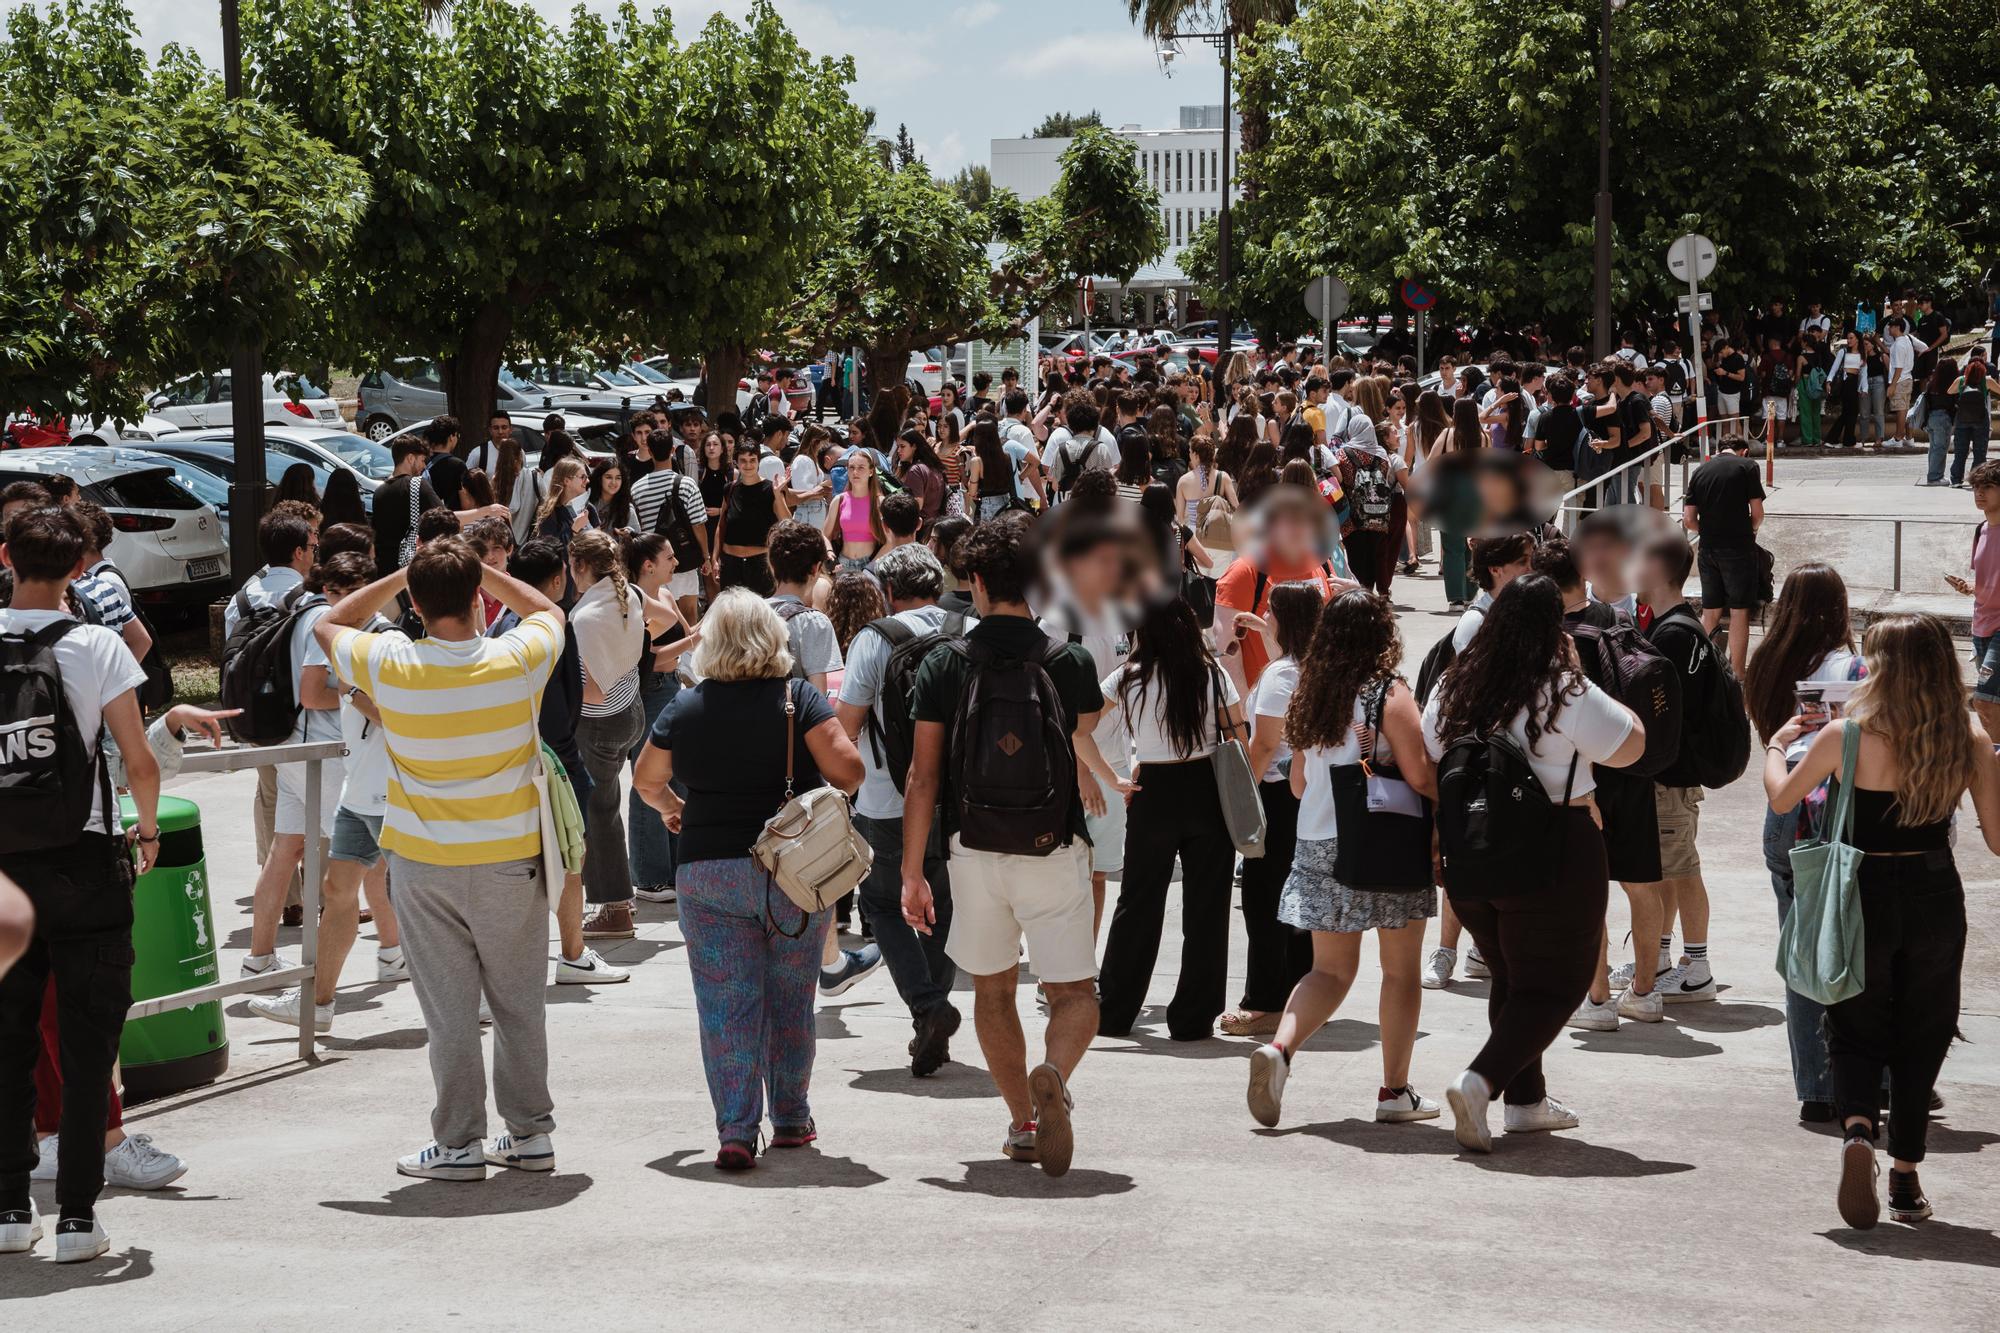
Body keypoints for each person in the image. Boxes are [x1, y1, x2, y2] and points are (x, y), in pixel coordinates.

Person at [320, 541, 568, 1181]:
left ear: (416, 605)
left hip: (424, 864)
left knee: (449, 1011)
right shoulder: (516, 659)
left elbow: (329, 624)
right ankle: (530, 1134)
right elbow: (549, 610)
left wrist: (405, 573)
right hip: (512, 859)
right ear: (479, 600)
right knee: (519, 1004)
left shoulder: (392, 663)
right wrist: (479, 569)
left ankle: (458, 1144)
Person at [1763, 614, 2000, 1229]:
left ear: (1879, 667)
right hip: (1933, 890)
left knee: (1853, 1021)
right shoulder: (1967, 737)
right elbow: (1998, 840)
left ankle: (1859, 1131)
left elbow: (1783, 798)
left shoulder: (1845, 735)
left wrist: (1773, 745)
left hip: (1858, 889)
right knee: (1925, 1031)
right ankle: (1905, 1178)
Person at [900, 519, 1117, 1177]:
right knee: (1075, 990)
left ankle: (1024, 1119)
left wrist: (912, 870)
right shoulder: (1071, 660)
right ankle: (1053, 1070)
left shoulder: (943, 663)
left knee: (992, 990)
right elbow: (1081, 735)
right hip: (1053, 845)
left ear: (977, 582)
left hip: (974, 850)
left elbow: (923, 776)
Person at [632, 591, 864, 1169]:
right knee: (791, 999)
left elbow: (644, 780)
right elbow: (850, 771)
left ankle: (736, 1129)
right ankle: (790, 1117)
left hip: (708, 871)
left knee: (725, 1004)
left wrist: (671, 806)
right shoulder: (797, 699)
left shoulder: (685, 708)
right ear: (773, 639)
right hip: (793, 872)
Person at [1422, 574, 1647, 1153]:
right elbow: (1632, 744)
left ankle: (1526, 1103)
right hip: (1554, 849)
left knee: (1512, 976)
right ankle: (1481, 1081)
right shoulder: (1563, 688)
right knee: (1557, 984)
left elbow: (1430, 751)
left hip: (1470, 849)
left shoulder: (1454, 683)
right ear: (1555, 627)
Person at [0, 504, 157, 1263]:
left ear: (5, 555)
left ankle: (6, 1208)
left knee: (8, 1037)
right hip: (87, 860)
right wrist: (148, 830)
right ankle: (75, 1220)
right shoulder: (97, 645)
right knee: (90, 1042)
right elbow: (139, 759)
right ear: (77, 567)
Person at [1246, 588, 1441, 1126]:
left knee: (1330, 971)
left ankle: (1281, 1048)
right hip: (1384, 838)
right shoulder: (1388, 693)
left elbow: (1300, 780)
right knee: (1400, 972)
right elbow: (1420, 773)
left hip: (1316, 839)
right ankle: (1394, 1092)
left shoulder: (1312, 690)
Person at [246, 554, 409, 1035]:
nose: (333, 606)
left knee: (421, 895)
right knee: (338, 892)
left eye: (345, 595)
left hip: (383, 790)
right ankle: (318, 1003)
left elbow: (399, 713)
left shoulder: (388, 640)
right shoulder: (342, 637)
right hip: (356, 791)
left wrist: (353, 693)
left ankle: (467, 990)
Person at [834, 544, 969, 1077]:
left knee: (884, 904)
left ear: (887, 592)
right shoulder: (966, 628)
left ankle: (928, 1007)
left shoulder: (876, 638)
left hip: (887, 798)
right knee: (941, 905)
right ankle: (929, 1028)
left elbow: (845, 726)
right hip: (957, 798)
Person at [1094, 597, 1246, 1042]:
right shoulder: (1212, 674)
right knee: (1206, 910)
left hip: (1152, 792)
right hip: (1206, 790)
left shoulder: (1127, 677)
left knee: (1137, 905)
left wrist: (1112, 777)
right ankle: (1193, 1017)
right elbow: (1238, 732)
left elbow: (1077, 726)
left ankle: (1116, 1011)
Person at [1743, 562, 1862, 1119]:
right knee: (1851, 945)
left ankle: (1816, 1088)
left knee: (1801, 952)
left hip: (1782, 816)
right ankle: (1868, 1080)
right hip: (1832, 817)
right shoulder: (1850, 667)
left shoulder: (1767, 662)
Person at [231, 511, 343, 987]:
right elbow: (312, 685)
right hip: (306, 731)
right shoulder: (304, 602)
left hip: (263, 728)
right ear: (299, 552)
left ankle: (261, 953)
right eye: (313, 548)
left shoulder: (242, 597)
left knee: (283, 839)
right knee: (359, 844)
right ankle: (390, 949)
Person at [1217, 582, 1319, 1038]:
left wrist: (1244, 798)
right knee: (1297, 900)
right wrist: (1262, 630)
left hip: (1277, 797)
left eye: (1270, 611)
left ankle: (1263, 1003)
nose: (1265, 614)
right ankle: (1301, 994)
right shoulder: (1316, 664)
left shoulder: (1281, 675)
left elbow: (1263, 745)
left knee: (1262, 900)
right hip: (1311, 797)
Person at [1630, 533, 1724, 1007]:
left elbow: (1666, 714)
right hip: (1671, 775)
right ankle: (1663, 957)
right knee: (1666, 867)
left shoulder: (1673, 633)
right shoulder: (1678, 625)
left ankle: (1699, 968)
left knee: (1681, 868)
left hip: (1672, 776)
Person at [1037, 517, 1139, 942]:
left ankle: (1083, 964)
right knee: (1062, 876)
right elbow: (1052, 708)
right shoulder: (1056, 624)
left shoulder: (1123, 617)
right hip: (1068, 769)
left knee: (1097, 876)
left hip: (1113, 765)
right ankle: (1051, 971)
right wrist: (1081, 774)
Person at [569, 530, 662, 943]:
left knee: (599, 815)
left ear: (581, 566)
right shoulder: (630, 597)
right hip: (631, 712)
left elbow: (591, 691)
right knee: (607, 810)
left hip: (600, 724)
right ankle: (617, 904)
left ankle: (614, 909)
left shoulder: (584, 618)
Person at [1213, 486, 1353, 696]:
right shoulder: (1246, 570)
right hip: (1265, 702)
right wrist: (1243, 710)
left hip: (1316, 694)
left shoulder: (1321, 563)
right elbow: (1226, 645)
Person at [1681, 433, 1766, 678]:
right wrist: (1748, 528)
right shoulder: (1748, 466)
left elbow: (1688, 520)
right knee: (1740, 610)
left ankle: (1705, 672)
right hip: (1738, 548)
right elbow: (1758, 514)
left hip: (1708, 548)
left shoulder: (1700, 471)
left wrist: (1708, 529)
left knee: (1711, 611)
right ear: (1743, 451)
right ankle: (1737, 674)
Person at [712, 439, 791, 595]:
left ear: (759, 461)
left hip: (760, 564)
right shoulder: (730, 489)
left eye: (752, 460)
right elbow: (722, 524)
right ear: (736, 463)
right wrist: (715, 557)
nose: (748, 465)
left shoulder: (771, 489)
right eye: (743, 461)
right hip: (730, 563)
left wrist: (777, 494)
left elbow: (787, 522)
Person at [825, 447, 886, 571]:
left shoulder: (880, 502)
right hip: (843, 565)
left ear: (871, 472)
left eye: (861, 467)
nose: (855, 472)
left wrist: (872, 565)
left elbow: (890, 540)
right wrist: (829, 552)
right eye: (851, 467)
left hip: (870, 565)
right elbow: (824, 535)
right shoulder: (839, 500)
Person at [1947, 351, 1993, 487]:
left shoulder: (1961, 380)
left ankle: (1956, 479)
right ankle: (1976, 480)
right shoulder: (1987, 380)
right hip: (1981, 418)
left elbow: (1949, 391)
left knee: (1960, 451)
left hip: (1962, 419)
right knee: (1980, 452)